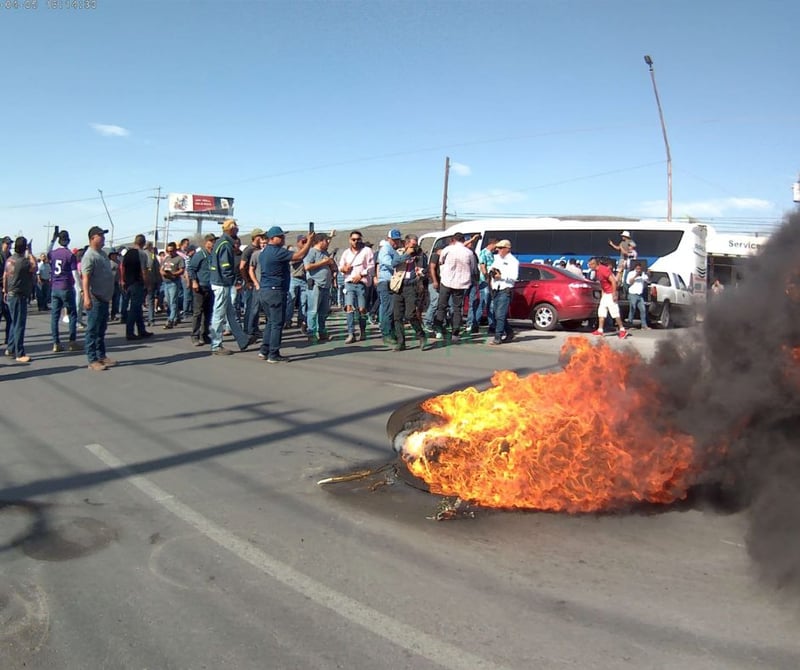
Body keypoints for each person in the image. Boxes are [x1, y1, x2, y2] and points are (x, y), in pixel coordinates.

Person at [257, 226, 315, 362]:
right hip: (275, 291)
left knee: (270, 322)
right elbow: (299, 256)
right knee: (277, 323)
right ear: (272, 238)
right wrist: (309, 242)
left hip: (265, 290)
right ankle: (273, 354)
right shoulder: (277, 252)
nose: (283, 239)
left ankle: (264, 350)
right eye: (280, 237)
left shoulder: (264, 252)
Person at [208, 219, 252, 355]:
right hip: (222, 283)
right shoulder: (225, 244)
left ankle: (242, 340)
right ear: (231, 229)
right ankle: (216, 345)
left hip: (220, 282)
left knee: (230, 314)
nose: (238, 229)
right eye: (236, 227)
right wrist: (234, 283)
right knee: (219, 315)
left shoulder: (221, 242)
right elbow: (226, 267)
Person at [81, 227, 117, 371]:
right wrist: (86, 297)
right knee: (92, 330)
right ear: (92, 238)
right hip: (95, 297)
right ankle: (92, 359)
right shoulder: (89, 256)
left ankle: (101, 355)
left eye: (103, 235)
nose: (103, 238)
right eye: (100, 235)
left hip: (104, 298)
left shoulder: (102, 254)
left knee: (101, 329)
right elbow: (86, 278)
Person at [433, 232, 476, 343]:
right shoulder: (469, 253)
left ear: (453, 240)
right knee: (457, 308)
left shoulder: (447, 249)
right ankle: (455, 333)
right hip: (461, 283)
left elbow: (441, 262)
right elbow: (472, 268)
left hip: (447, 281)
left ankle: (439, 329)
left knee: (442, 306)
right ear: (463, 240)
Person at [391, 234, 428, 351]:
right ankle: (401, 342)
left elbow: (425, 269)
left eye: (416, 245)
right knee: (397, 316)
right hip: (399, 286)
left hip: (412, 286)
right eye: (413, 245)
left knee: (410, 315)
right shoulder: (400, 252)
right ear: (407, 244)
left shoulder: (421, 255)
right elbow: (394, 263)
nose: (415, 247)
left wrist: (421, 272)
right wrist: (407, 254)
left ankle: (421, 334)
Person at [3, 236, 37, 363]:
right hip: (19, 295)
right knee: (19, 325)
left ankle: (11, 347)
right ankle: (19, 353)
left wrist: (5, 291)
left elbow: (5, 275)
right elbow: (35, 267)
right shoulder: (23, 261)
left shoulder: (9, 260)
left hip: (11, 293)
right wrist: (31, 252)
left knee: (13, 322)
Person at [47, 229, 81, 353]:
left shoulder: (53, 253)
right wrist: (80, 287)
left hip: (55, 287)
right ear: (68, 240)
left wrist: (52, 240)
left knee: (54, 316)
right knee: (72, 314)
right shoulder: (70, 255)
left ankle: (56, 343)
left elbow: (48, 251)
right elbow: (74, 273)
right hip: (66, 286)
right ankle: (72, 342)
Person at [338, 230, 375, 344]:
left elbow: (371, 267)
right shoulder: (346, 253)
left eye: (358, 239)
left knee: (362, 309)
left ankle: (362, 331)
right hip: (349, 283)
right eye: (353, 239)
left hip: (361, 284)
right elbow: (340, 266)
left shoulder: (367, 251)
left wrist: (361, 274)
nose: (356, 241)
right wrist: (344, 269)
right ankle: (351, 333)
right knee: (349, 307)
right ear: (350, 240)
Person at [304, 233, 336, 342]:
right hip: (315, 285)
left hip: (326, 285)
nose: (328, 243)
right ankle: (311, 333)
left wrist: (331, 264)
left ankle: (322, 332)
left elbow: (330, 264)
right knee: (313, 311)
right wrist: (323, 262)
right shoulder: (311, 252)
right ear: (320, 241)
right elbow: (307, 266)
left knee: (323, 311)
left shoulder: (325, 252)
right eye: (326, 241)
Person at [121, 234, 154, 341]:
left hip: (128, 283)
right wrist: (147, 284)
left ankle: (141, 330)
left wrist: (122, 281)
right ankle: (129, 332)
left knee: (138, 308)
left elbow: (123, 268)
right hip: (137, 283)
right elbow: (144, 271)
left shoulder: (127, 253)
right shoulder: (142, 254)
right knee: (134, 308)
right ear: (143, 243)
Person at [487, 239, 519, 346]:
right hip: (496, 288)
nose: (498, 250)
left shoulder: (513, 261)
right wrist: (492, 272)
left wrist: (501, 276)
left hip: (505, 289)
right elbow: (491, 269)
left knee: (500, 315)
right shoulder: (497, 259)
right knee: (497, 314)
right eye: (498, 248)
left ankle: (498, 337)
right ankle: (509, 332)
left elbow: (514, 277)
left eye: (501, 248)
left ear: (507, 249)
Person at [588, 257, 629, 338]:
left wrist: (614, 294)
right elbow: (603, 284)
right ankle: (600, 330)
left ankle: (622, 330)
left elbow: (613, 281)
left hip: (611, 294)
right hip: (606, 294)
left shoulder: (604, 270)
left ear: (595, 264)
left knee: (614, 313)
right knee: (601, 312)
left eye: (590, 264)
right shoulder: (597, 272)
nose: (589, 266)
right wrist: (603, 295)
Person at [188, 233, 216, 346]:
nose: (212, 244)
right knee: (198, 312)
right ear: (206, 243)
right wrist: (194, 282)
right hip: (200, 286)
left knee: (208, 312)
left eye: (213, 241)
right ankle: (195, 335)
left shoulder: (215, 255)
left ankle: (204, 335)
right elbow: (191, 269)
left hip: (212, 287)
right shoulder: (200, 255)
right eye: (210, 241)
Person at [376, 228, 403, 343]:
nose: (395, 242)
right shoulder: (385, 249)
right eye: (394, 240)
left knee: (392, 309)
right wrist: (403, 260)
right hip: (386, 281)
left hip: (392, 282)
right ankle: (386, 333)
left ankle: (391, 332)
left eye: (397, 240)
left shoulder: (392, 250)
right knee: (388, 309)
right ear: (388, 239)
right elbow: (390, 264)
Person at [240, 228, 264, 340]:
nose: (263, 238)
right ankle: (248, 331)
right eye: (261, 236)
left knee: (257, 308)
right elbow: (242, 266)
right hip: (252, 283)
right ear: (255, 237)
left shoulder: (260, 249)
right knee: (251, 308)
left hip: (259, 283)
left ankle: (254, 329)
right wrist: (248, 281)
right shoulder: (249, 250)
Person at [160, 241, 185, 329]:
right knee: (167, 301)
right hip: (166, 282)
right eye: (168, 251)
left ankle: (170, 320)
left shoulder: (179, 259)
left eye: (172, 251)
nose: (170, 252)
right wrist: (163, 273)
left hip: (174, 282)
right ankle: (176, 316)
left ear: (175, 250)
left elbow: (182, 270)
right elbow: (161, 268)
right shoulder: (166, 259)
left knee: (173, 301)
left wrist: (174, 274)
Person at [626, 262, 649, 329]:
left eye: (640, 269)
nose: (639, 270)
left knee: (643, 310)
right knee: (632, 309)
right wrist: (636, 276)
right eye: (637, 269)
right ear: (635, 268)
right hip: (633, 294)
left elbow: (648, 281)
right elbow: (629, 282)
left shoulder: (643, 274)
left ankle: (644, 325)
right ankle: (630, 324)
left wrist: (648, 274)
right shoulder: (631, 273)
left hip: (640, 295)